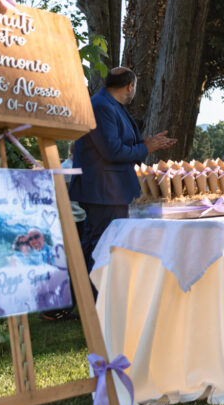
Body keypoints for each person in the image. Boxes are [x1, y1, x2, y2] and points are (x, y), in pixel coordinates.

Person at [70, 67, 176, 280]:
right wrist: (147, 148)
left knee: (108, 247)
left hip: (112, 191)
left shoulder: (109, 104)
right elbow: (111, 151)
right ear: (130, 86)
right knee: (98, 248)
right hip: (104, 192)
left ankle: (100, 300)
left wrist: (145, 143)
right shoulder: (101, 106)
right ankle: (90, 303)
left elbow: (118, 145)